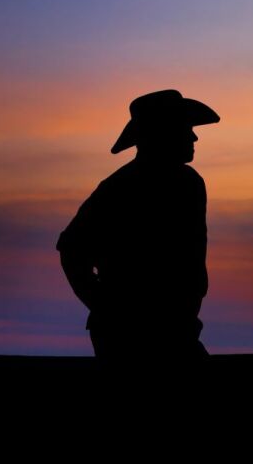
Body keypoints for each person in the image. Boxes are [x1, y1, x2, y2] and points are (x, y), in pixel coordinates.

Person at [57, 89, 220, 362]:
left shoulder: (189, 183)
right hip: (128, 338)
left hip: (179, 330)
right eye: (184, 128)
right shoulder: (119, 188)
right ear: (162, 133)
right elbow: (72, 249)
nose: (194, 137)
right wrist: (107, 307)